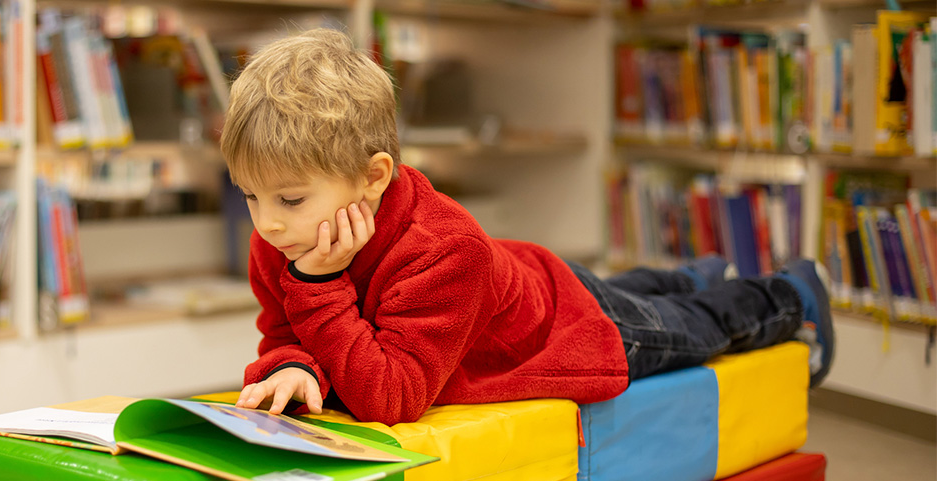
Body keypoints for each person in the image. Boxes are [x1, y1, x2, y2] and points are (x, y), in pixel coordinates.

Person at [223, 28, 833, 427]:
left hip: (557, 325)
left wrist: (321, 286)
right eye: (250, 195)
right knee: (636, 288)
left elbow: (394, 397)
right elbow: (284, 331)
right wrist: (292, 367)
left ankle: (790, 294)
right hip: (518, 275)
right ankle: (691, 274)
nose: (268, 223)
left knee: (698, 328)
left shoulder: (443, 249)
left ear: (374, 177)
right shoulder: (282, 236)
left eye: (291, 198)